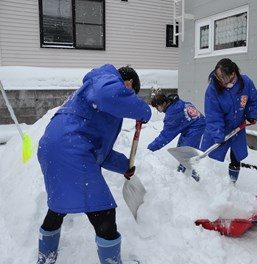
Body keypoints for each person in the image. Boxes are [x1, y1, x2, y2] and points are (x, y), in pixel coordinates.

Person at [36, 64, 151, 264]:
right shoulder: (105, 78)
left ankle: (45, 258)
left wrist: (125, 166)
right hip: (71, 148)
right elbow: (108, 95)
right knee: (103, 210)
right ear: (129, 83)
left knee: (59, 205)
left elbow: (100, 153)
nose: (127, 99)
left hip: (53, 147)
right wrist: (142, 110)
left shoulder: (95, 97)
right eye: (130, 93)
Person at [200, 58, 257, 183]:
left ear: (233, 74)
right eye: (217, 76)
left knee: (236, 156)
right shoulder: (213, 89)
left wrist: (252, 114)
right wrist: (217, 134)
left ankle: (232, 184)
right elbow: (213, 114)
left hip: (238, 127)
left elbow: (252, 100)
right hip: (218, 128)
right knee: (208, 156)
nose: (219, 80)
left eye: (223, 77)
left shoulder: (245, 82)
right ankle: (205, 182)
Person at [147, 92, 206, 181]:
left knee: (185, 154)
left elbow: (165, 136)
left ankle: (194, 178)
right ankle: (182, 173)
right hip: (191, 126)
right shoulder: (176, 103)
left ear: (163, 104)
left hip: (196, 128)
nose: (157, 109)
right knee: (180, 150)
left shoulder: (172, 114)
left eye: (157, 106)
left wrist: (150, 148)